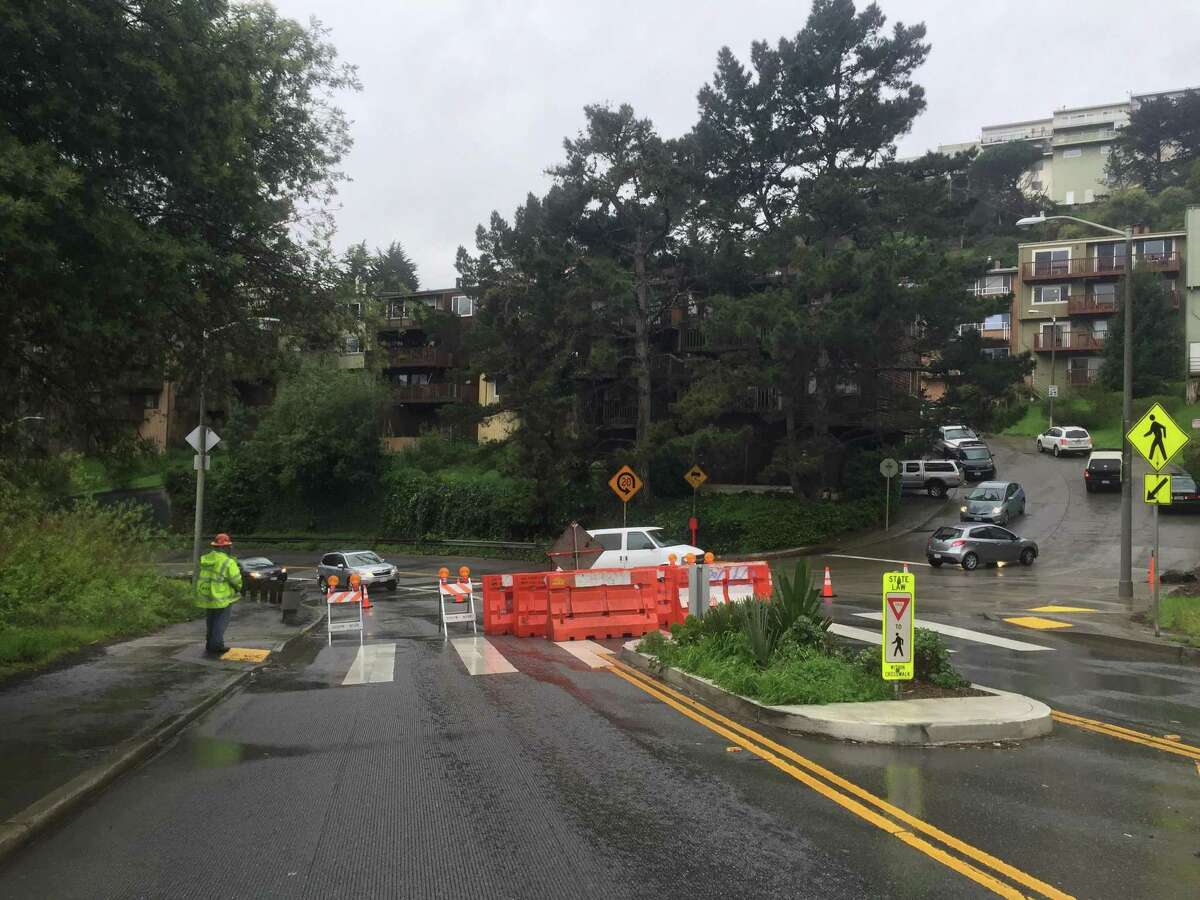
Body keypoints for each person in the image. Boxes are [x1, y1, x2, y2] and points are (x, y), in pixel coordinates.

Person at [196, 533, 243, 656]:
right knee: (221, 621)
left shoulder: (206, 559)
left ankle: (210, 643)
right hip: (221, 596)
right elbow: (236, 579)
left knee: (211, 620)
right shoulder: (228, 562)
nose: (230, 548)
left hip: (207, 595)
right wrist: (239, 588)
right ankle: (216, 645)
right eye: (228, 546)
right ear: (225, 547)